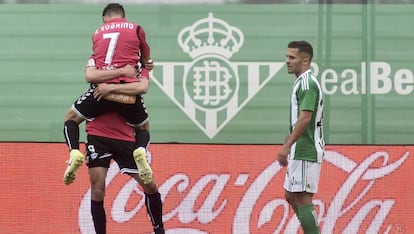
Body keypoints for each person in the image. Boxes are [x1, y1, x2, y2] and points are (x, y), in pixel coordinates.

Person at [63, 3, 154, 185]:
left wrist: (109, 84)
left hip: (101, 92)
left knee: (70, 119)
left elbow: (90, 75)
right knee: (143, 128)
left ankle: (74, 151)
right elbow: (145, 75)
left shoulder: (97, 35)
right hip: (127, 94)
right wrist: (145, 63)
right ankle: (141, 150)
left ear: (105, 19)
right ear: (124, 16)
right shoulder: (137, 34)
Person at [85, 81, 164, 234]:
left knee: (150, 185)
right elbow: (90, 76)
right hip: (98, 136)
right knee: (97, 189)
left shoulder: (135, 83)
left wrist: (147, 64)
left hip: (126, 138)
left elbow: (144, 128)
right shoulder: (99, 72)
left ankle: (159, 230)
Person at [277, 40, 324, 234]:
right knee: (290, 195)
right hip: (300, 148)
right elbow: (299, 119)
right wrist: (288, 141)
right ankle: (309, 229)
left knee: (304, 198)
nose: (287, 61)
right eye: (287, 56)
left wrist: (287, 145)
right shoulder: (301, 82)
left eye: (292, 57)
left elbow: (305, 118)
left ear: (305, 61)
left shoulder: (307, 83)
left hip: (306, 148)